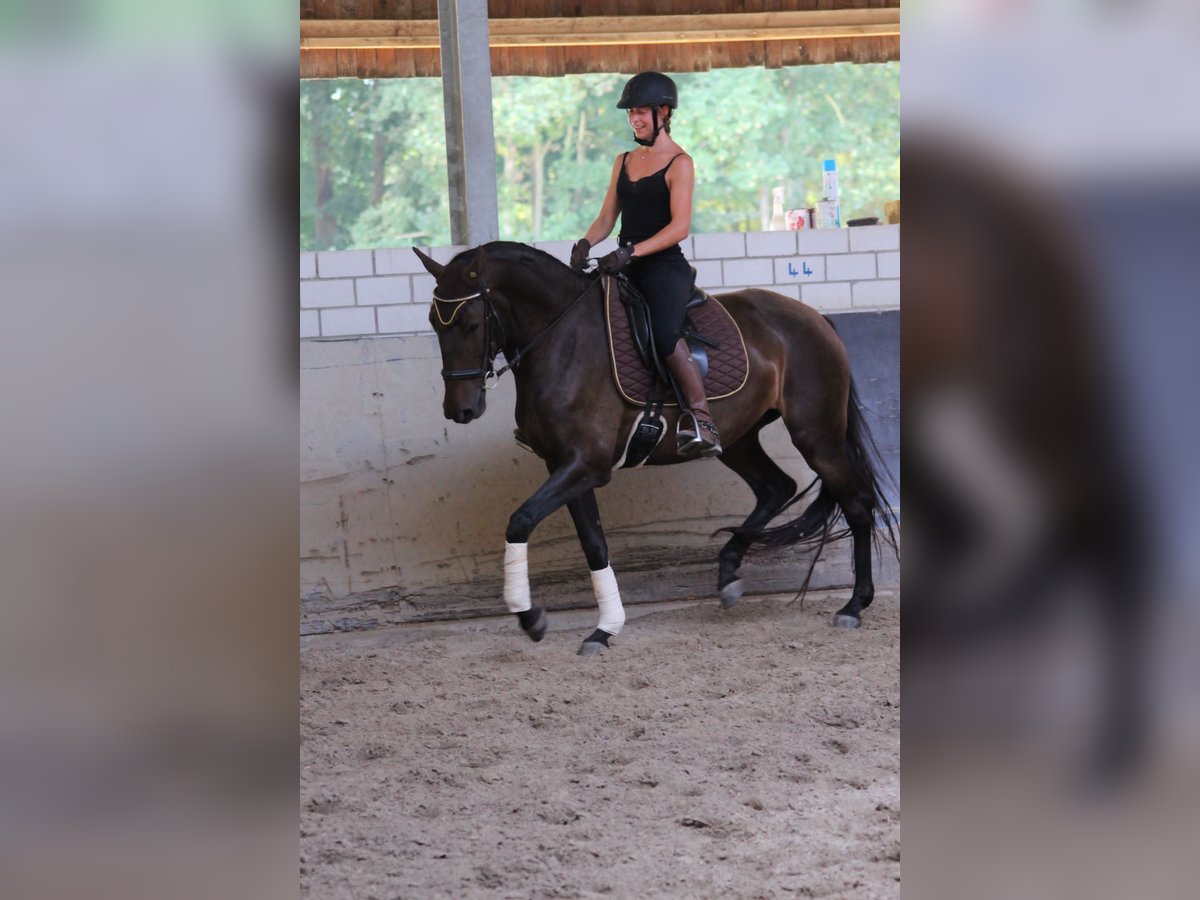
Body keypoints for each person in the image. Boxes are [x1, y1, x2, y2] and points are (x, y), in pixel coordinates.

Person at [570, 71, 721, 457]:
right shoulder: (623, 161)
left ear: (663, 112)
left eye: (640, 112)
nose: (634, 119)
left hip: (662, 266)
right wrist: (586, 243)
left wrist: (632, 252)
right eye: (630, 113)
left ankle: (701, 419)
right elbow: (607, 219)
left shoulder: (680, 163)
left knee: (666, 333)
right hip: (623, 262)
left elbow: (679, 227)